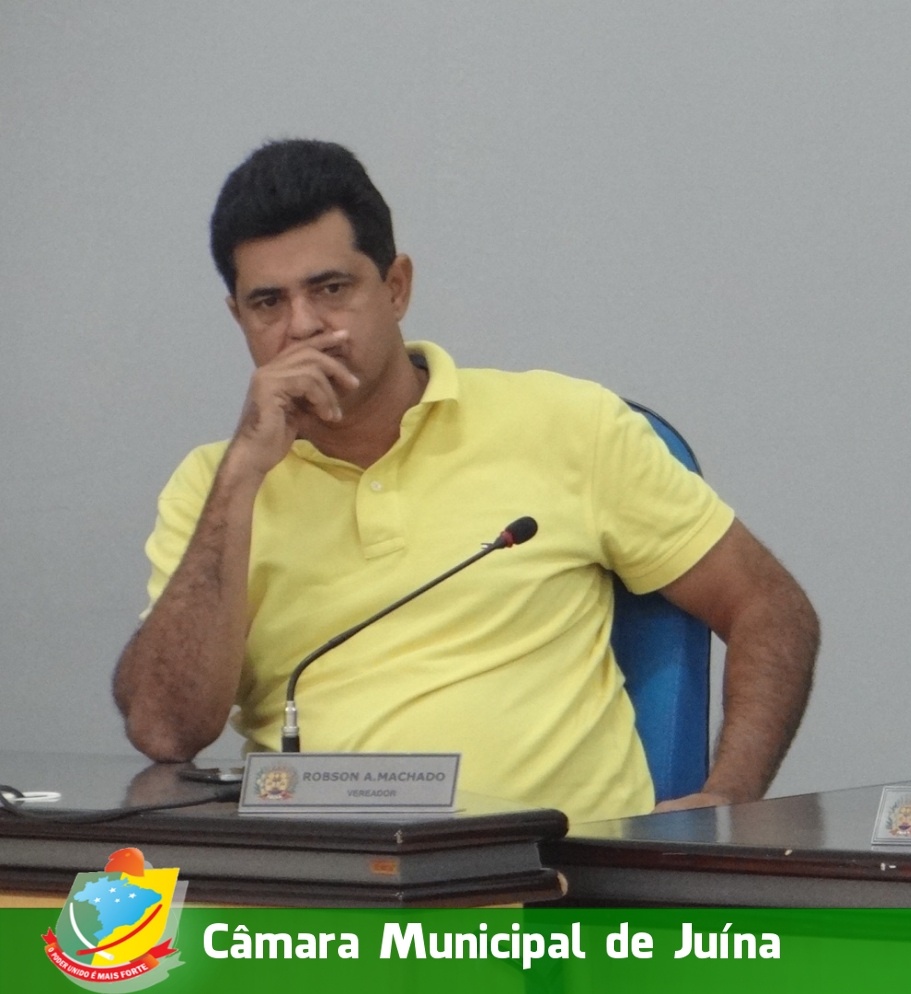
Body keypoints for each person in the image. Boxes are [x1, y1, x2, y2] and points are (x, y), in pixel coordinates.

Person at [111, 139, 819, 828]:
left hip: (556, 878)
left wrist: (731, 798)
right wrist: (241, 475)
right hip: (328, 876)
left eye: (331, 289)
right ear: (238, 317)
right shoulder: (212, 486)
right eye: (268, 303)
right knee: (96, 904)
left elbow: (770, 605)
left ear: (396, 287)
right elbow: (166, 731)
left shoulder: (566, 424)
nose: (303, 327)